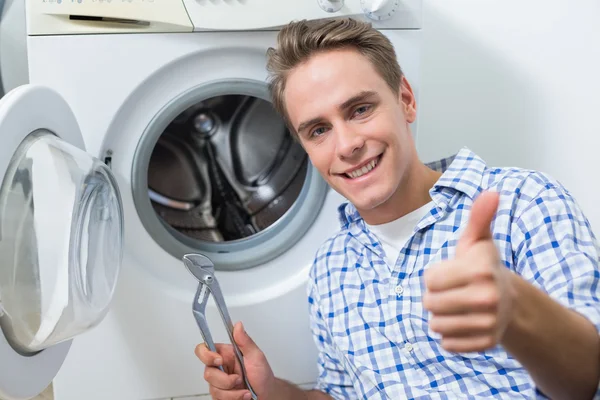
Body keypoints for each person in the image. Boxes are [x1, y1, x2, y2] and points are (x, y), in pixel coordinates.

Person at [195, 17, 600, 400]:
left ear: (405, 100)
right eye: (319, 130)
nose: (347, 144)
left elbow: (589, 378)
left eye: (360, 110)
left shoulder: (523, 202)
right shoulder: (330, 269)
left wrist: (516, 310)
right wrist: (273, 391)